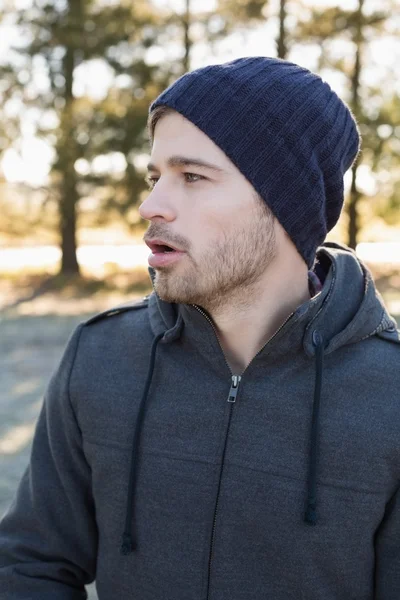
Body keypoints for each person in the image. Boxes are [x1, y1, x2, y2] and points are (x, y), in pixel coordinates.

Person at [0, 56, 399, 600]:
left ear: (285, 203)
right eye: (155, 176)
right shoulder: (100, 356)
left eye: (192, 176)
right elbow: (30, 566)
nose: (151, 205)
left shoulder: (391, 392)